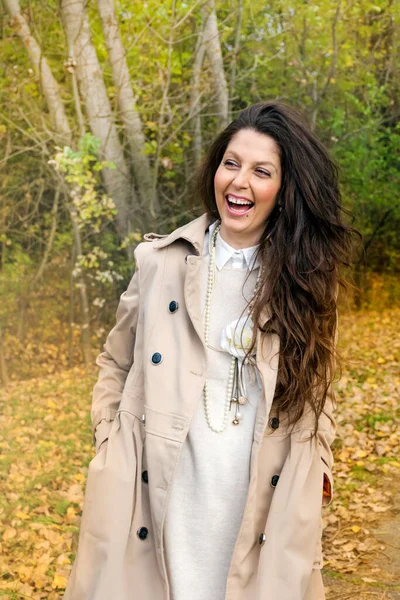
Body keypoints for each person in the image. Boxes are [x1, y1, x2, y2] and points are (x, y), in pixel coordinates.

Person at [64, 101, 354, 600]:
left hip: (258, 493)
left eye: (262, 171)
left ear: (284, 191)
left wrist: (319, 467)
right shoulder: (160, 263)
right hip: (161, 489)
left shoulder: (304, 281)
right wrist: (109, 438)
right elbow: (115, 359)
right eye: (231, 163)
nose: (240, 182)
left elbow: (318, 388)